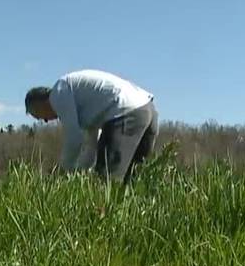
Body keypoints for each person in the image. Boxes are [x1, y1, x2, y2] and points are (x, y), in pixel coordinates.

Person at [25, 70, 159, 183]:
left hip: (125, 111)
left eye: (39, 117)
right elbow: (91, 148)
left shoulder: (58, 93)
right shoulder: (84, 106)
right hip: (147, 108)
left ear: (38, 105)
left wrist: (62, 172)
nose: (46, 120)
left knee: (107, 181)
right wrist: (78, 173)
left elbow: (74, 138)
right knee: (133, 180)